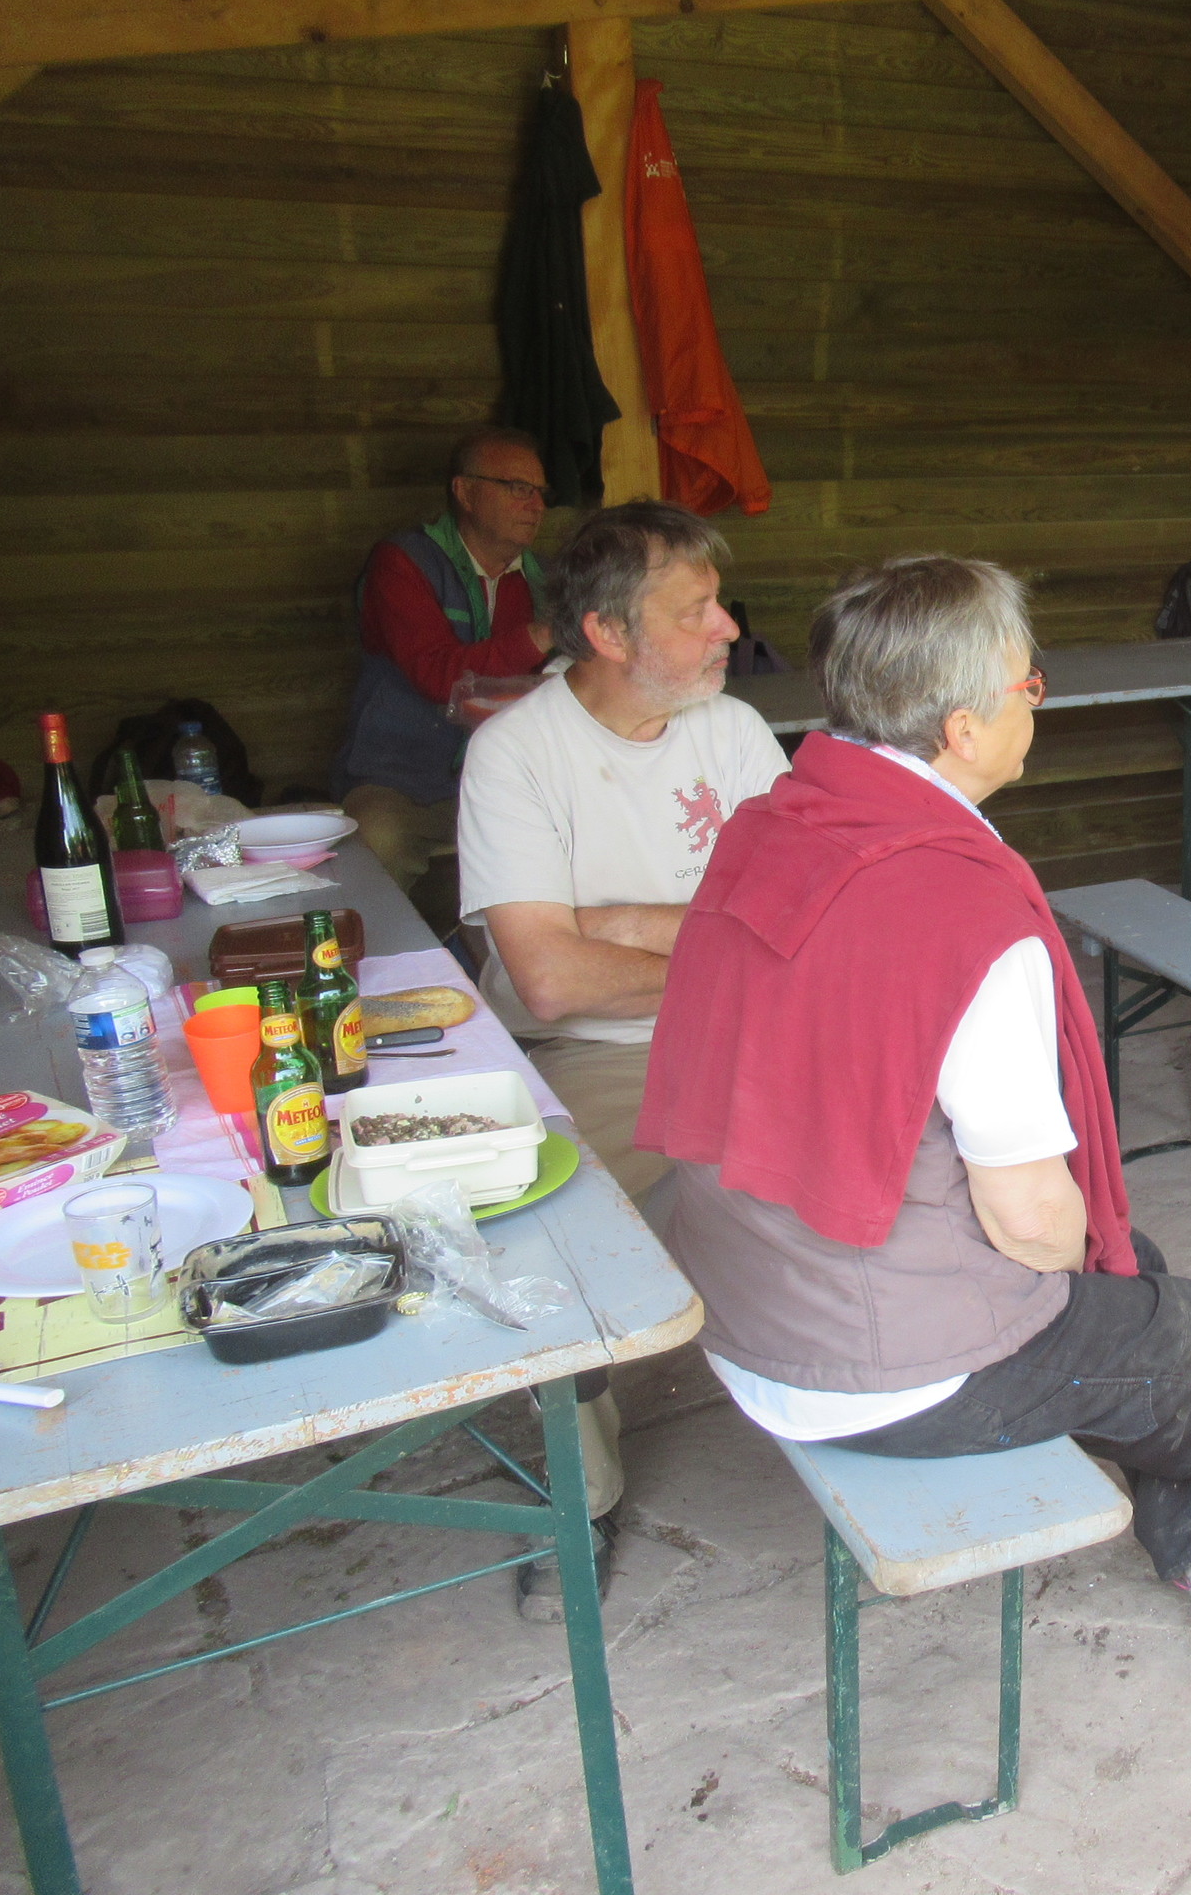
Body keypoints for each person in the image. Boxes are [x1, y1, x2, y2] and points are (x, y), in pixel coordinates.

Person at [635, 555, 1191, 1672]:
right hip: (870, 1370)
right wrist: (1089, 1258)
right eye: (1027, 684)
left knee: (1131, 1278)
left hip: (750, 1291)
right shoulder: (960, 907)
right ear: (962, 729)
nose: (1034, 701)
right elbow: (1036, 1223)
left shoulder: (775, 824)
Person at [456, 500, 788, 1611]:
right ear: (606, 633)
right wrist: (719, 943)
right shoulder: (517, 754)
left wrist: (622, 924)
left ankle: (910, 1398)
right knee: (547, 1234)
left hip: (751, 1032)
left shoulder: (731, 732)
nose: (727, 627)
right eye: (695, 611)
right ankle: (582, 1497)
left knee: (934, 1147)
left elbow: (800, 923)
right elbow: (552, 981)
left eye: (718, 604)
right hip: (594, 1049)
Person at [334, 427, 559, 889]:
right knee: (378, 840)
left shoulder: (543, 578)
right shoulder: (403, 562)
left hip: (509, 781)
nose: (536, 504)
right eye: (518, 488)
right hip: (402, 780)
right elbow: (440, 676)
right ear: (466, 492)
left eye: (541, 492)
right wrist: (544, 633)